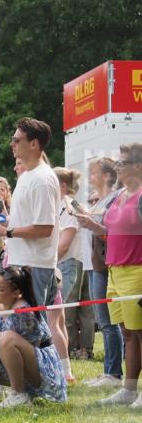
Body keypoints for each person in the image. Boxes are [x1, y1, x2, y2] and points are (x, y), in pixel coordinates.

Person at [0, 119, 69, 383]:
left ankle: (39, 385)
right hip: (21, 261)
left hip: (35, 265)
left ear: (34, 144)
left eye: (17, 140)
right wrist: (4, 224)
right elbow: (26, 222)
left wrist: (7, 232)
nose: (12, 144)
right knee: (15, 327)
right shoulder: (26, 176)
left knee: (31, 331)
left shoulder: (44, 179)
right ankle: (20, 382)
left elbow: (45, 228)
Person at [76, 144, 142, 408]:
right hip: (115, 270)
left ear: (138, 166)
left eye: (122, 163)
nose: (117, 168)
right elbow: (113, 233)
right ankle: (128, 389)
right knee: (128, 334)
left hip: (137, 271)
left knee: (140, 334)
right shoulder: (119, 196)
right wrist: (94, 226)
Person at [0, 267, 67, 408]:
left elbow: (30, 347)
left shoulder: (23, 312)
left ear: (17, 293)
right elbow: (6, 350)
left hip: (44, 370)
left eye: (1, 289)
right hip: (16, 357)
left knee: (7, 338)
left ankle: (19, 394)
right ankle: (5, 388)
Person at [78, 157, 123, 388]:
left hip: (103, 266)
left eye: (93, 173)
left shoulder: (115, 198)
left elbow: (110, 230)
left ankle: (113, 373)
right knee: (105, 322)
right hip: (93, 265)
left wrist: (91, 221)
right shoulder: (100, 201)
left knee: (108, 322)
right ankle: (110, 371)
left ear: (106, 175)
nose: (90, 177)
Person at [55, 168, 89, 368]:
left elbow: (65, 242)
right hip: (60, 263)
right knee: (58, 315)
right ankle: (62, 361)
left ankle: (62, 364)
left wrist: (46, 262)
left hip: (67, 264)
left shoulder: (68, 206)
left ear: (63, 186)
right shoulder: (56, 205)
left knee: (56, 314)